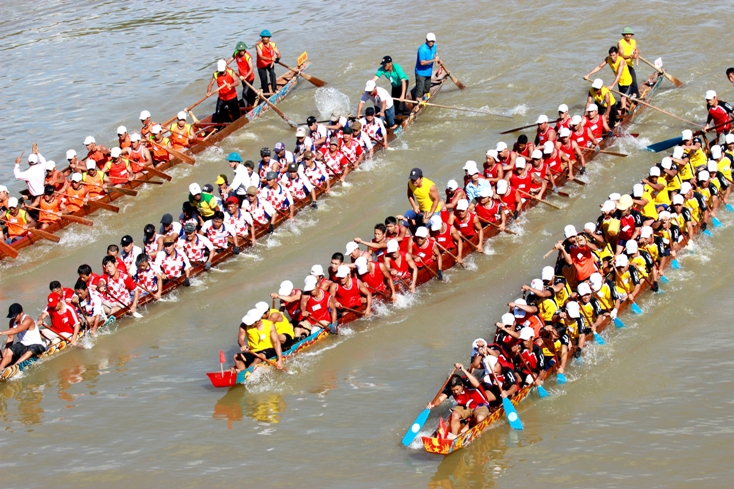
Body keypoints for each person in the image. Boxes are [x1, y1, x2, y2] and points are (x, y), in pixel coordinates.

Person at [426, 364, 489, 439]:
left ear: (462, 385)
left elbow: (476, 383)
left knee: (479, 418)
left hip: (480, 405)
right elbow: (439, 400)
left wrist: (463, 370)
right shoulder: (450, 388)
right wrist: (432, 404)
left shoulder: (468, 382)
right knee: (454, 414)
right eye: (453, 390)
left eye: (457, 389)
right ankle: (454, 437)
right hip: (465, 407)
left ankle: (474, 427)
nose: (455, 392)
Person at [584, 46, 633, 113]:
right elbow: (599, 66)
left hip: (626, 81)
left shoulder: (621, 61)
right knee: (622, 95)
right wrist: (588, 75)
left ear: (617, 54)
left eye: (614, 55)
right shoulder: (608, 59)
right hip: (619, 81)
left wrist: (612, 85)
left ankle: (622, 115)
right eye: (610, 55)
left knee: (623, 98)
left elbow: (619, 75)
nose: (612, 57)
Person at [0, 303, 46, 371]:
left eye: (15, 316)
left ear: (21, 313)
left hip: (37, 345)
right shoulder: (12, 322)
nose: (13, 318)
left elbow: (17, 330)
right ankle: (1, 368)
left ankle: (14, 366)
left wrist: (1, 333)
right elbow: (10, 338)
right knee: (10, 350)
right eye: (12, 316)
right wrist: (4, 356)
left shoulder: (28, 320)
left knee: (31, 350)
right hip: (23, 345)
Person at [227, 41, 257, 107]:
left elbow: (251, 69)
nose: (241, 52)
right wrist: (225, 64)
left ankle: (246, 110)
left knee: (245, 92)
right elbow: (229, 60)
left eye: (243, 50)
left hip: (249, 77)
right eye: (240, 50)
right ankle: (257, 100)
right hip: (241, 76)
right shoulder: (236, 53)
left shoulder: (247, 56)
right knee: (249, 92)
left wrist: (245, 77)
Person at [255, 29, 281, 94]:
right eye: (263, 37)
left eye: (266, 37)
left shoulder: (273, 44)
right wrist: (270, 59)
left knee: (272, 74)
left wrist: (277, 58)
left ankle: (274, 89)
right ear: (261, 38)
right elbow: (261, 56)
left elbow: (278, 54)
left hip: (270, 64)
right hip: (261, 64)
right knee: (264, 80)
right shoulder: (258, 45)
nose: (265, 39)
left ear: (269, 38)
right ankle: (266, 93)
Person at [415, 33, 438, 102]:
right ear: (426, 40)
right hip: (421, 73)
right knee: (419, 91)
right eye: (429, 41)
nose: (431, 43)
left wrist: (437, 58)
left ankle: (425, 98)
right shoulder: (422, 49)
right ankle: (418, 102)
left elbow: (435, 54)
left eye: (432, 41)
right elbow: (422, 62)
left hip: (428, 72)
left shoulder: (434, 46)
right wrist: (434, 60)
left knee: (427, 89)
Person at [617, 27, 640, 99]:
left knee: (633, 79)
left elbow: (636, 49)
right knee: (626, 81)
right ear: (623, 35)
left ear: (631, 35)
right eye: (626, 34)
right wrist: (631, 56)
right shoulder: (620, 43)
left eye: (629, 34)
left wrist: (636, 53)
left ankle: (634, 95)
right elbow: (621, 55)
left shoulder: (633, 41)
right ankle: (631, 95)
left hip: (630, 64)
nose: (628, 35)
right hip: (623, 64)